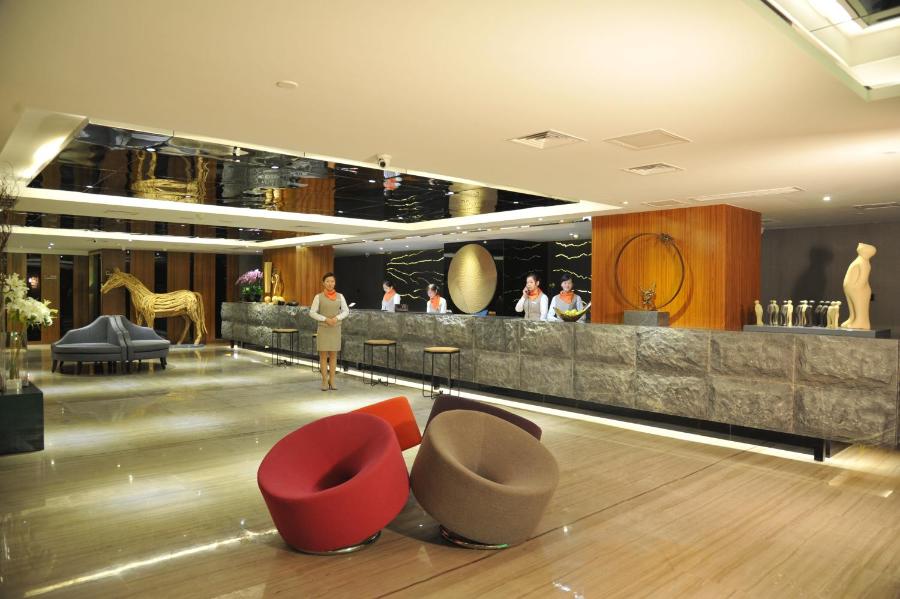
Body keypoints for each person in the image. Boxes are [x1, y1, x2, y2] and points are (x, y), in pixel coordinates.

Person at [308, 272, 350, 391]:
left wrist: (336, 318)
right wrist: (325, 319)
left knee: (333, 355)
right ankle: (324, 381)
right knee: (323, 356)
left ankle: (332, 380)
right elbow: (312, 312)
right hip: (323, 328)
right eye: (327, 281)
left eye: (332, 281)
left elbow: (346, 311)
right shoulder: (318, 297)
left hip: (335, 328)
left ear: (335, 283)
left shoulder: (340, 296)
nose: (330, 283)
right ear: (323, 283)